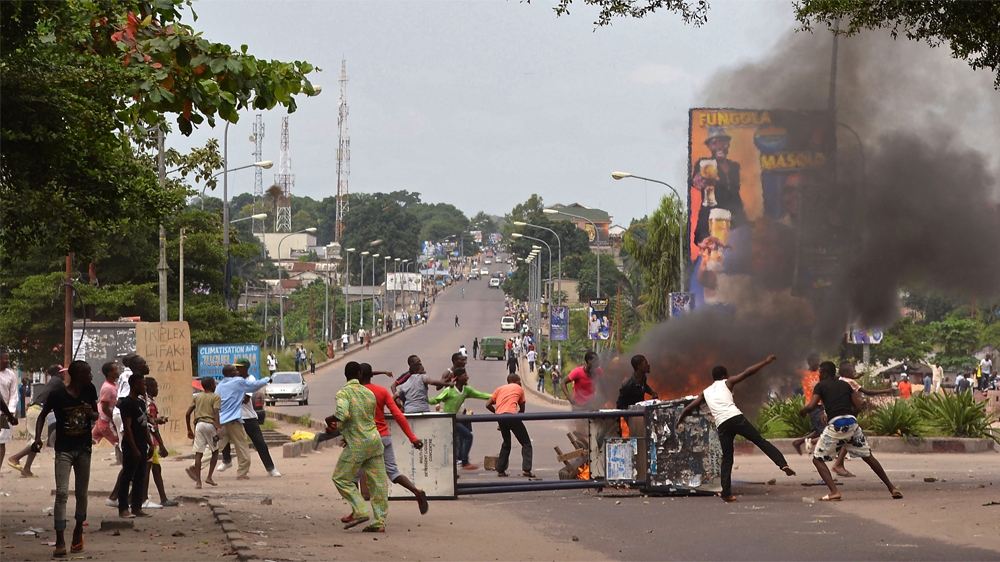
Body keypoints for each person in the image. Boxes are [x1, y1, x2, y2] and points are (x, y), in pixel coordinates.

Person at [677, 355, 795, 503]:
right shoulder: (727, 382)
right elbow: (747, 373)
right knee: (760, 441)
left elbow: (689, 408)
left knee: (727, 459)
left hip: (722, 425)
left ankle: (726, 493)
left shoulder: (706, 392)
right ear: (723, 376)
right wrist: (765, 362)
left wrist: (680, 420)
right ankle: (782, 464)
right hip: (736, 418)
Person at [800, 361, 902, 502]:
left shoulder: (820, 386)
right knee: (868, 456)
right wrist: (849, 418)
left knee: (817, 459)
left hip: (836, 425)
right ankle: (892, 488)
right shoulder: (845, 385)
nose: (819, 376)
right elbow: (858, 406)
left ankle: (834, 491)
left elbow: (811, 406)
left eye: (820, 374)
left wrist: (803, 411)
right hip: (852, 423)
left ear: (825, 374)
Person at [34, 360, 98, 556]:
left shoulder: (89, 391)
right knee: (62, 493)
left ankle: (78, 530)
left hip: (84, 448)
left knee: (81, 493)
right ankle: (60, 539)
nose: (91, 376)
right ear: (79, 376)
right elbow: (42, 415)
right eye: (88, 373)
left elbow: (96, 415)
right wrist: (37, 438)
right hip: (64, 450)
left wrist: (91, 413)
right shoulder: (58, 395)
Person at [355, 363, 428, 515]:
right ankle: (416, 491)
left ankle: (357, 510)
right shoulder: (382, 391)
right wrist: (413, 438)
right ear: (371, 375)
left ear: (358, 375)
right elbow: (398, 415)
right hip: (383, 437)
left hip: (365, 439)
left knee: (353, 475)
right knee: (393, 472)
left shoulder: (355, 393)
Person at [329, 361, 388, 532]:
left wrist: (329, 420)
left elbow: (342, 414)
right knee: (378, 483)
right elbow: (366, 418)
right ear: (360, 374)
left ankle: (360, 509)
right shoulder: (369, 393)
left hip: (357, 443)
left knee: (340, 478)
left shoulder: (343, 393)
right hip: (374, 440)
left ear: (346, 375)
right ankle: (379, 522)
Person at [216, 358, 281, 477]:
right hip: (233, 418)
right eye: (235, 368)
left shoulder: (249, 379)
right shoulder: (233, 381)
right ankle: (226, 460)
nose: (237, 370)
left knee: (259, 442)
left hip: (247, 417)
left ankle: (270, 468)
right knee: (224, 438)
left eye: (239, 368)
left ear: (245, 368)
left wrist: (231, 398)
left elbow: (246, 399)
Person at [830, 362, 894, 478]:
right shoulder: (851, 382)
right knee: (848, 436)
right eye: (852, 372)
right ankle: (838, 464)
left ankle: (839, 464)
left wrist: (855, 377)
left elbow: (844, 377)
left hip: (838, 411)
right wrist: (886, 391)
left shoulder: (840, 379)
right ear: (847, 373)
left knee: (846, 436)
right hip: (848, 412)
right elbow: (868, 392)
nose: (854, 373)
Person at [691, 126, 748, 246]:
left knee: (738, 249)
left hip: (735, 219)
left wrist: (742, 219)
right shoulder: (705, 164)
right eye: (714, 143)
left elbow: (735, 194)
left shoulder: (734, 166)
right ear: (709, 146)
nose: (719, 146)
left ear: (728, 144)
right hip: (712, 219)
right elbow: (696, 178)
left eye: (722, 141)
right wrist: (696, 180)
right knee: (713, 252)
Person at [9, 365, 67, 477]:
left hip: (34, 411)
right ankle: (15, 458)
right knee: (40, 440)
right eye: (62, 372)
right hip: (38, 412)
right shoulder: (58, 382)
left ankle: (27, 469)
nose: (64, 374)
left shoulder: (53, 382)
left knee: (35, 441)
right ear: (57, 374)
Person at [429, 366, 491, 470]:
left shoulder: (467, 390)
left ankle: (457, 462)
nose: (467, 377)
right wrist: (425, 400)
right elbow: (437, 400)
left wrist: (496, 396)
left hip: (456, 418)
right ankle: (464, 462)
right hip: (448, 419)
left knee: (456, 440)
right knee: (467, 436)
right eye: (464, 375)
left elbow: (481, 395)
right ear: (458, 377)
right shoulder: (449, 390)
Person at [117, 370, 152, 518]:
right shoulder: (127, 403)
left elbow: (144, 425)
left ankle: (137, 507)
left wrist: (150, 444)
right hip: (132, 445)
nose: (145, 387)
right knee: (127, 476)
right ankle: (123, 508)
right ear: (136, 385)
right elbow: (128, 427)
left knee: (140, 476)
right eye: (143, 384)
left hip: (142, 444)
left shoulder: (141, 402)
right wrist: (134, 448)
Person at [486, 374, 533, 478]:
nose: (520, 383)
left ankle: (500, 470)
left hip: (500, 417)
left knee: (506, 443)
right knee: (526, 443)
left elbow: (488, 404)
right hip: (512, 415)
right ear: (516, 381)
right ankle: (526, 469)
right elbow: (522, 409)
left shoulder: (499, 389)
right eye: (519, 381)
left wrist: (497, 414)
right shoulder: (519, 388)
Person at [141, 378, 177, 508]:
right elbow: (151, 426)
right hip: (149, 441)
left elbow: (152, 421)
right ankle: (143, 499)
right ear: (150, 388)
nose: (158, 390)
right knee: (147, 469)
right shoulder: (149, 404)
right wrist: (161, 444)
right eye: (156, 387)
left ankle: (163, 498)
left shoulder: (146, 402)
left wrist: (157, 420)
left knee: (156, 469)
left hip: (150, 440)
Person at [185, 377, 221, 489]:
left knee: (198, 454)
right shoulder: (215, 397)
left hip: (199, 426)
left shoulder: (197, 397)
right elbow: (215, 413)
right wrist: (218, 427)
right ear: (212, 385)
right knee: (215, 451)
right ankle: (209, 477)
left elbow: (187, 413)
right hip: (210, 425)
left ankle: (198, 482)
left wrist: (189, 429)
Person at [791, 353, 823, 455]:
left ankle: (798, 442)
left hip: (822, 405)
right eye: (815, 361)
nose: (817, 363)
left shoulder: (821, 373)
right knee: (824, 430)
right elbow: (790, 370)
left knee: (819, 430)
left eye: (818, 361)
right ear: (809, 363)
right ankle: (818, 449)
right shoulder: (803, 373)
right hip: (812, 406)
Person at [0, 351, 19, 469]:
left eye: (8, 358)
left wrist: (10, 412)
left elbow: (13, 394)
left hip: (4, 414)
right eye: (5, 358)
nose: (8, 361)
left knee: (1, 442)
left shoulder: (11, 375)